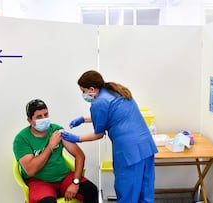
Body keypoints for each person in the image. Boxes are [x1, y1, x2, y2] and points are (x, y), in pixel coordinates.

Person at [61, 70, 158, 203]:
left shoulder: (98, 103)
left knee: (127, 193)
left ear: (92, 89)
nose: (83, 94)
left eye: (83, 91)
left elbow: (99, 134)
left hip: (129, 153)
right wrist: (83, 119)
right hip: (146, 146)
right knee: (145, 193)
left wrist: (77, 138)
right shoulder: (116, 91)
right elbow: (111, 116)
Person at [13, 99, 98, 203]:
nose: (44, 119)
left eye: (46, 115)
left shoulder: (57, 131)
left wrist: (75, 182)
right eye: (39, 117)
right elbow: (30, 170)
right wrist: (50, 146)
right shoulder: (21, 139)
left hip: (64, 177)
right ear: (30, 121)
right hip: (39, 182)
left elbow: (80, 155)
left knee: (91, 190)